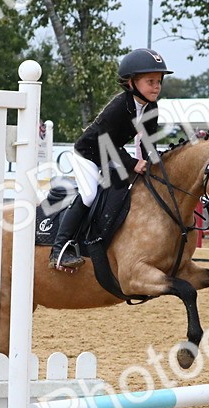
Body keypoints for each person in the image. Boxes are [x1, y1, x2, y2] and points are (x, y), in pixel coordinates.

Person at [50, 48, 170, 270]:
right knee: (89, 195)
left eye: (159, 81)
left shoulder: (150, 107)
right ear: (132, 83)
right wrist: (133, 163)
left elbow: (148, 141)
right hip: (88, 153)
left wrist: (157, 163)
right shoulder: (119, 107)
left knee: (126, 188)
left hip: (110, 154)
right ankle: (59, 249)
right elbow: (106, 142)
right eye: (150, 81)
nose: (156, 86)